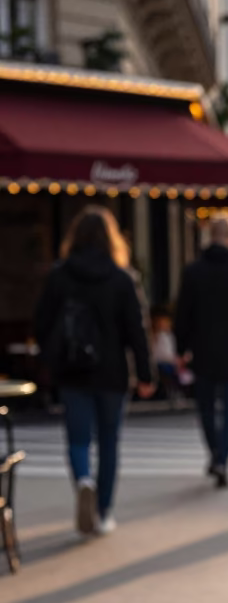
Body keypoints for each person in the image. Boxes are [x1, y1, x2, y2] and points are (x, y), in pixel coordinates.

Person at [35, 206, 153, 536]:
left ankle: (83, 480)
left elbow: (42, 323)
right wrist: (145, 374)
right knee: (109, 441)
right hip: (112, 373)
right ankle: (104, 511)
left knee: (77, 439)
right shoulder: (122, 279)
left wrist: (50, 358)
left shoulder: (60, 276)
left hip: (72, 371)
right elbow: (136, 330)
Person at [174, 215, 228, 488]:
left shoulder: (193, 272)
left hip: (203, 351)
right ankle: (223, 457)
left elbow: (183, 314)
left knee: (206, 408)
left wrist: (181, 348)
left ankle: (214, 452)